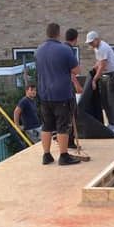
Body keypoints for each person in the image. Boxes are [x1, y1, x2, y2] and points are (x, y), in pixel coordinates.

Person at [36, 23, 82, 165]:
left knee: (47, 125)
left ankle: (46, 155)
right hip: (61, 94)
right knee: (63, 125)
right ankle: (63, 156)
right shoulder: (64, 50)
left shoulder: (38, 50)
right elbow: (76, 70)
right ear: (58, 34)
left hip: (44, 93)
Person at [85, 30, 114, 136]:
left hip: (113, 75)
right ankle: (112, 124)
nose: (90, 44)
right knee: (105, 101)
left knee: (112, 101)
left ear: (97, 39)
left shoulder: (103, 47)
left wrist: (94, 79)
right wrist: (92, 71)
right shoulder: (97, 48)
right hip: (106, 75)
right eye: (89, 43)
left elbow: (102, 66)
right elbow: (98, 63)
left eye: (91, 42)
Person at [64, 28, 84, 149]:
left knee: (64, 114)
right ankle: (69, 141)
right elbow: (73, 71)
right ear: (76, 39)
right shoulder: (69, 50)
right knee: (72, 113)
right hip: (67, 87)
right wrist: (77, 85)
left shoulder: (61, 48)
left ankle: (63, 138)